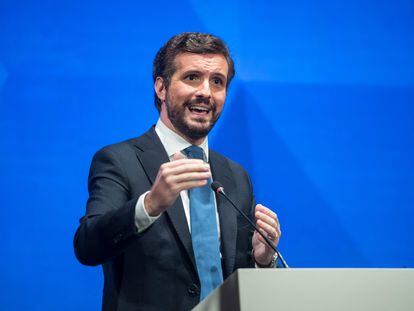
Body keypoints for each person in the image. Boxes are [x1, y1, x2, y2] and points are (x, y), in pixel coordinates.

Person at [74, 32, 281, 311]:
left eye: (217, 82)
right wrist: (149, 205)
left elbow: (237, 279)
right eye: (192, 77)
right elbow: (87, 247)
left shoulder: (235, 176)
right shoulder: (118, 161)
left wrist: (263, 260)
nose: (205, 92)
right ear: (161, 88)